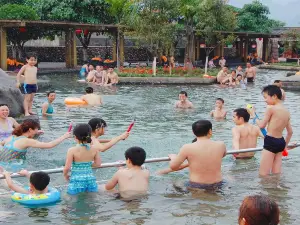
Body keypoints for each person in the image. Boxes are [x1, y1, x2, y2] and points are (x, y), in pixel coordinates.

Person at [248, 85, 293, 176]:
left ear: (274, 96)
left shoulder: (271, 109)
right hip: (281, 141)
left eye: (265, 97)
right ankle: (277, 188)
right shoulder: (286, 111)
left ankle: (267, 190)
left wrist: (253, 114)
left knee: (263, 174)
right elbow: (290, 132)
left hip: (271, 141)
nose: (265, 100)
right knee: (276, 173)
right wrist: (285, 146)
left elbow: (261, 125)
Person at [168, 120, 226, 190]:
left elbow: (173, 167)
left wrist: (173, 157)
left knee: (172, 185)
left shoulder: (187, 147)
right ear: (210, 131)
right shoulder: (221, 145)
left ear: (193, 132)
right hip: (218, 184)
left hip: (197, 185)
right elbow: (223, 155)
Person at [0, 119, 71, 165]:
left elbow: (2, 144)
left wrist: (36, 132)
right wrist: (64, 136)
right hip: (12, 168)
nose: (36, 131)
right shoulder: (27, 141)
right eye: (36, 129)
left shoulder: (12, 137)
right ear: (30, 130)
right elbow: (49, 145)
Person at [63, 124, 103, 195]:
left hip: (77, 180)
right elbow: (98, 164)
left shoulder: (72, 150)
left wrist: (65, 175)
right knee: (91, 200)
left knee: (72, 201)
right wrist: (87, 165)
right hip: (90, 180)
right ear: (90, 135)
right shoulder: (94, 149)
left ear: (75, 137)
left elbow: (67, 167)